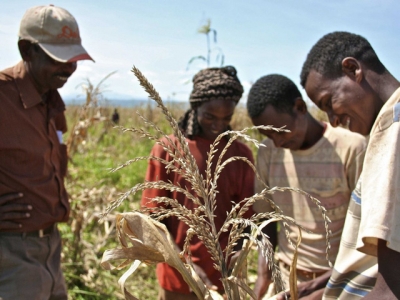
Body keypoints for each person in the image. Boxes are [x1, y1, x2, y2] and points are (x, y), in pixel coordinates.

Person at [0, 5, 93, 300]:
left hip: (50, 248)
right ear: (28, 51)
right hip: (11, 252)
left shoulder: (52, 102)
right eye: (58, 59)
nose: (69, 68)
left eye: (73, 59)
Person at [246, 74, 366, 299]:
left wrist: (330, 282)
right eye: (267, 135)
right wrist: (265, 272)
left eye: (280, 131)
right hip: (286, 280)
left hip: (339, 282)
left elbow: (366, 229)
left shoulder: (351, 148)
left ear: (300, 107)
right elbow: (265, 218)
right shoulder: (268, 152)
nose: (278, 142)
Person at [141, 66, 255, 300]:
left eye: (227, 118)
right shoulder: (168, 149)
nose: (218, 125)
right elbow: (154, 218)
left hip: (223, 276)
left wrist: (236, 256)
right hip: (177, 275)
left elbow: (246, 217)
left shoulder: (239, 153)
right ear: (195, 108)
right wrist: (184, 264)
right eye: (210, 116)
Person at [300, 31, 400, 299]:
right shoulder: (385, 129)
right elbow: (378, 262)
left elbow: (392, 290)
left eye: (328, 102)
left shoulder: (396, 130)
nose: (332, 120)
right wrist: (318, 287)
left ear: (353, 69)